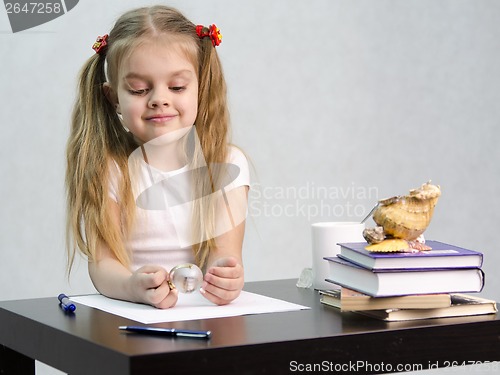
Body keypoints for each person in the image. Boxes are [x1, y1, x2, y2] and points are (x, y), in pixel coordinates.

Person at [65, 5, 249, 309]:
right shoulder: (110, 169)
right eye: (138, 90)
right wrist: (131, 287)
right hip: (132, 317)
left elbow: (224, 254)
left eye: (177, 86)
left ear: (201, 88)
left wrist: (226, 279)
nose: (159, 99)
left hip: (200, 317)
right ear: (114, 98)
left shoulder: (227, 164)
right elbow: (102, 266)